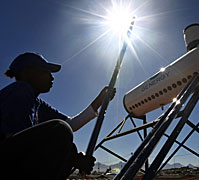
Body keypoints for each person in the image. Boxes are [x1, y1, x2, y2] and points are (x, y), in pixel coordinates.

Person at [0, 52, 116, 180]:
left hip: (15, 160)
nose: (52, 77)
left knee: (67, 141)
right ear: (26, 73)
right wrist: (72, 159)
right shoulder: (20, 90)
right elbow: (12, 139)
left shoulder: (38, 104)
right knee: (60, 131)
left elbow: (71, 124)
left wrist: (100, 100)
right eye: (45, 71)